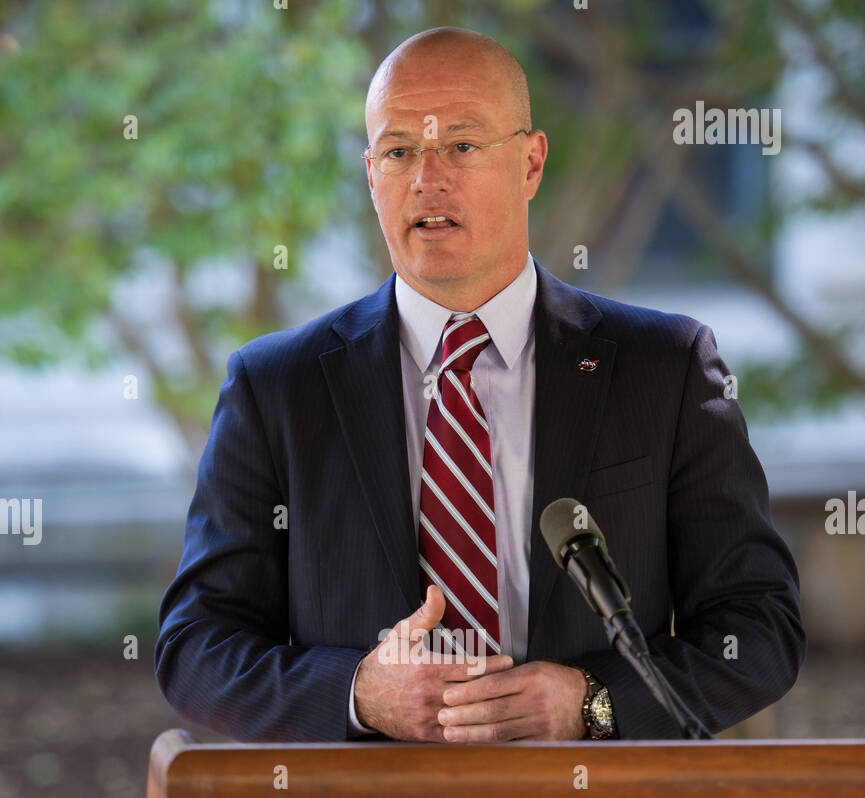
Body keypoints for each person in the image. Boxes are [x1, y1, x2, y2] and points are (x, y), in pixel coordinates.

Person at [154, 26, 805, 746]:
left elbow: (759, 626)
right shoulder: (277, 387)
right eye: (400, 151)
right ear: (372, 174)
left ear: (529, 163)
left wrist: (591, 704)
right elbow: (195, 646)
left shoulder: (662, 367)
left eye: (460, 146)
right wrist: (358, 695)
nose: (427, 178)